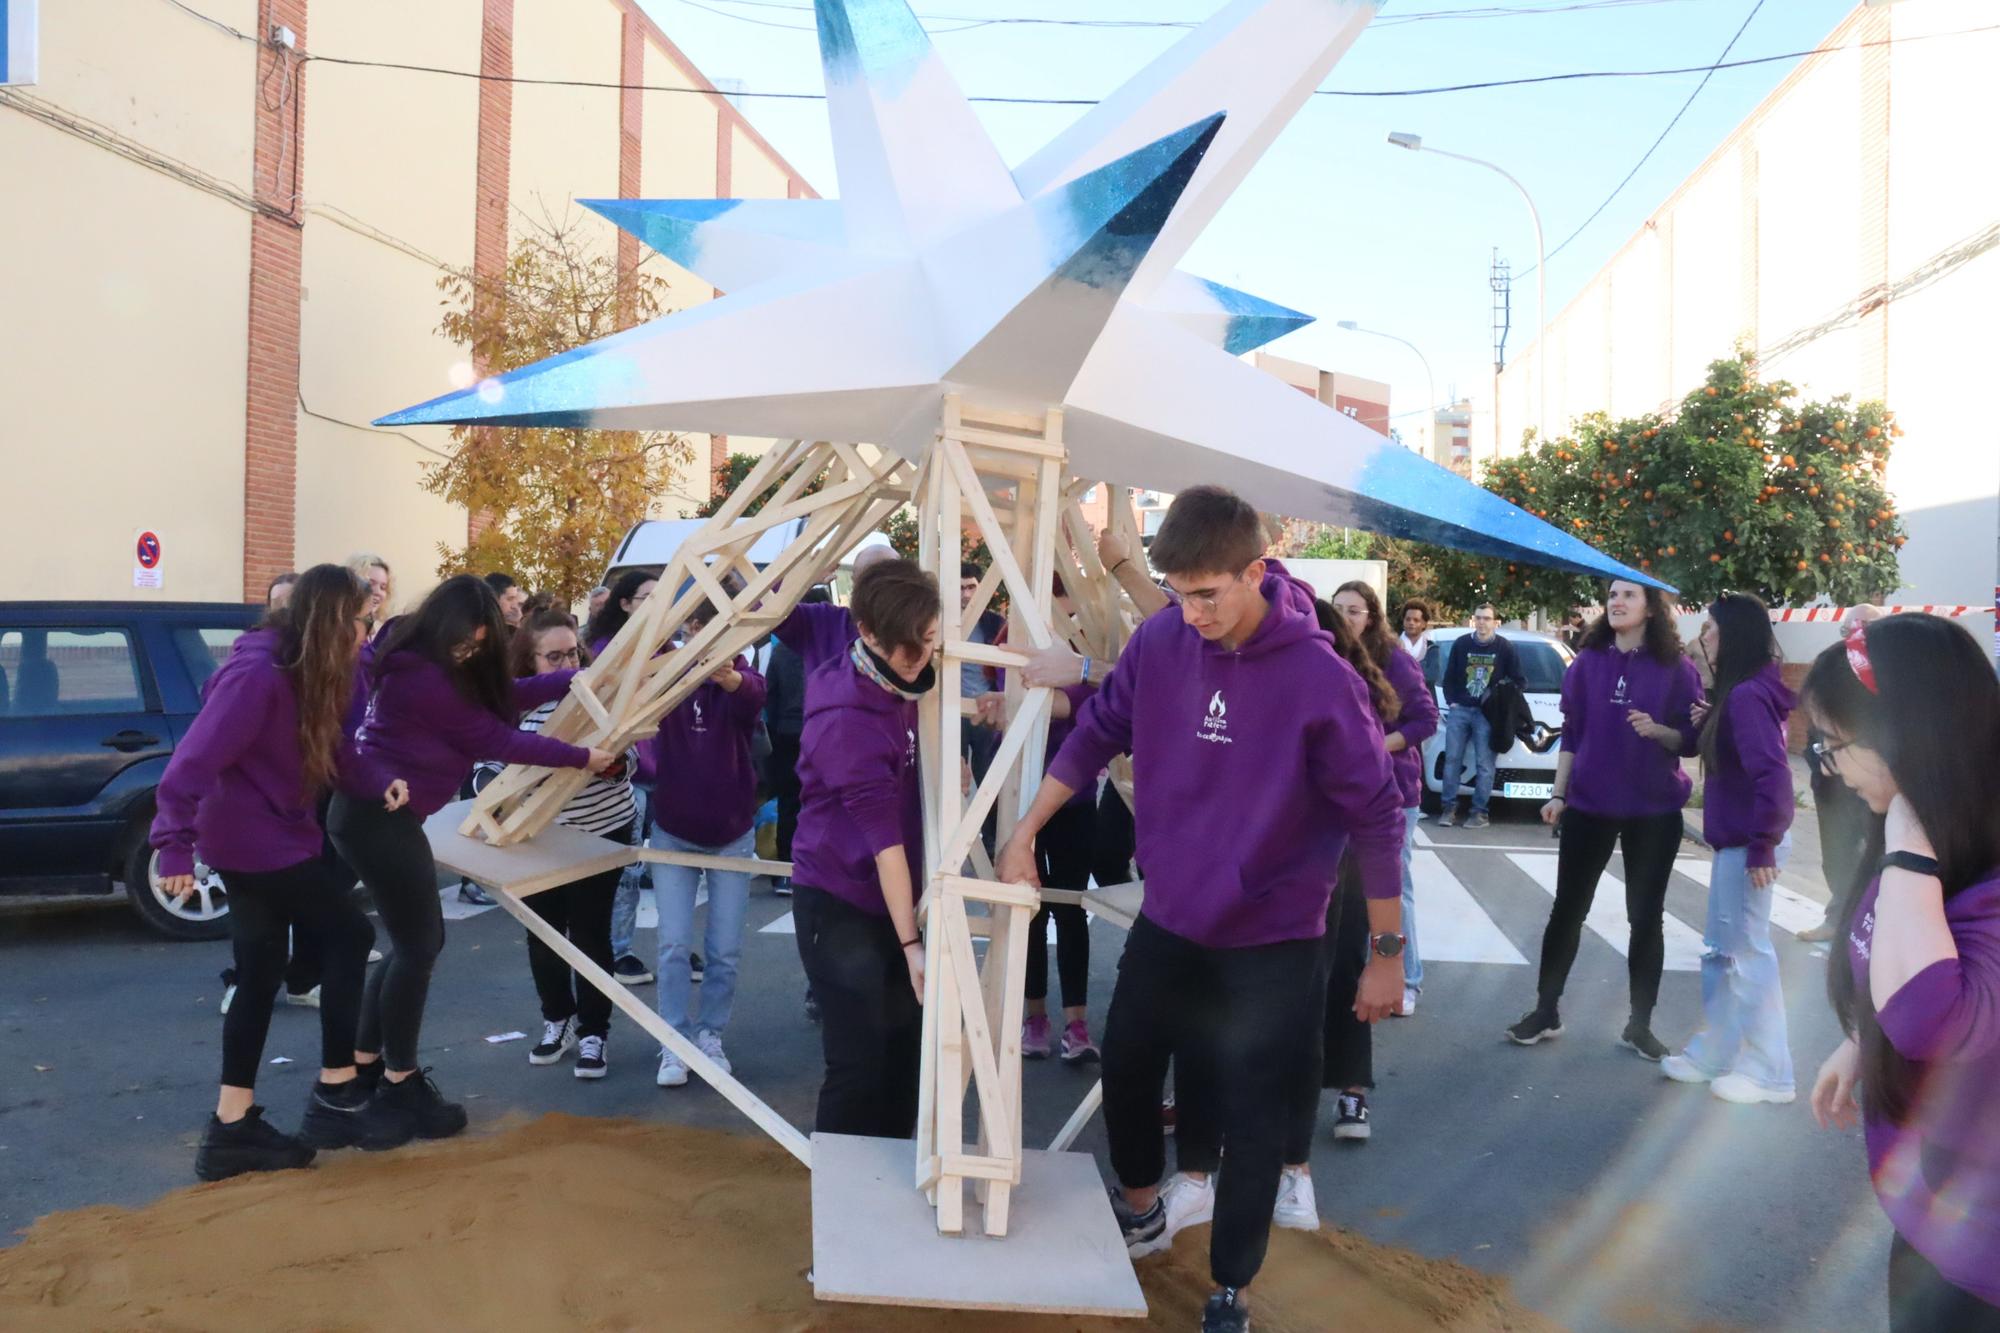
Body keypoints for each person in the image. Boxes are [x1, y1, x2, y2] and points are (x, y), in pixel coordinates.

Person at [997, 487, 1406, 1333]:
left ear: (1257, 572)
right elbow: (1099, 727)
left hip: (1275, 938)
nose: (1190, 612)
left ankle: (1232, 1284)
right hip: (1174, 916)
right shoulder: (1162, 639)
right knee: (1131, 1065)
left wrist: (1387, 948)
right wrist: (1028, 828)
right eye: (1176, 592)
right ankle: (1144, 1205)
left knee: (1253, 1111)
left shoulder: (1318, 676)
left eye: (1207, 594)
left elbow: (1377, 812)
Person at [151, 565, 411, 1179]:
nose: (364, 632)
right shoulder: (257, 675)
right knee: (350, 935)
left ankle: (231, 1128)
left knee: (261, 971)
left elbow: (339, 749)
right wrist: (173, 849)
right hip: (252, 839)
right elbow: (189, 764)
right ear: (330, 620)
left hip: (268, 833)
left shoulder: (311, 671)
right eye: (360, 620)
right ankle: (337, 1092)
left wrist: (379, 783)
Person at [332, 575, 615, 1138]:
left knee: (407, 946)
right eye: (469, 641)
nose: (472, 651)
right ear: (449, 629)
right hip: (378, 818)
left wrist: (572, 680)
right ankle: (396, 1082)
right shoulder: (423, 676)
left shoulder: (423, 661)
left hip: (374, 816)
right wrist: (584, 756)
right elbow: (497, 737)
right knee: (419, 946)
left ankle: (368, 1068)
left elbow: (500, 700)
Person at [1803, 613, 2000, 1329]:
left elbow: (1930, 1019)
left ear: (1906, 735)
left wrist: (1910, 838)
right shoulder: (1926, 834)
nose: (1829, 765)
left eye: (1835, 743)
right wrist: (1862, 1040)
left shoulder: (1927, 846)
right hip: (1931, 1217)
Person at [1252, 596, 1404, 1232]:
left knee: (1332, 994)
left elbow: (1379, 823)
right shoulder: (1274, 689)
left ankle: (1308, 1151)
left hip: (1333, 875)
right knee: (1269, 1011)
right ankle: (1257, 1142)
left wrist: (1387, 951)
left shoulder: (1348, 697)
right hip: (1273, 881)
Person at [1509, 579, 1702, 1059]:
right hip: (1589, 805)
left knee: (1646, 919)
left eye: (1629, 596)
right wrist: (1558, 795)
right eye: (1612, 595)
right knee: (1567, 912)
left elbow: (1689, 741)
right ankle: (1546, 1009)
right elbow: (1572, 733)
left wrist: (1660, 731)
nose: (1616, 602)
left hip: (1653, 810)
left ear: (1652, 608)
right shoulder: (1588, 663)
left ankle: (1639, 1024)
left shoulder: (1677, 669)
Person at [791, 559, 939, 1138]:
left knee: (904, 1050)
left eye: (929, 640)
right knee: (858, 1062)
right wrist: (911, 945)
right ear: (868, 634)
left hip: (893, 896)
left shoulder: (903, 676)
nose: (922, 656)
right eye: (909, 647)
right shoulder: (845, 721)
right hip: (841, 899)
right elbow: (886, 849)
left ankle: (897, 1177)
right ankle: (844, 1203)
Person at [477, 611, 637, 1081]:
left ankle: (594, 1031)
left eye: (573, 653)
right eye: (554, 657)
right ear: (529, 659)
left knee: (590, 934)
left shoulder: (599, 695)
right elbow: (485, 763)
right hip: (537, 836)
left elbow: (630, 761)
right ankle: (557, 1019)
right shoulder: (513, 702)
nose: (568, 664)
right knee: (543, 933)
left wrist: (611, 766)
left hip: (600, 829)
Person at [1660, 593, 1797, 1103]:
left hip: (1749, 844)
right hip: (1739, 842)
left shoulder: (1746, 696)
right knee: (1723, 953)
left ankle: (1769, 1072)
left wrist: (1764, 844)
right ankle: (1716, 1053)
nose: (1702, 639)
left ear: (1733, 636)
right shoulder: (1740, 693)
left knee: (1745, 954)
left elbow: (1774, 776)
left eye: (1711, 630)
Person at [975, 576, 1100, 1065]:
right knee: (1027, 905)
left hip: (1071, 800)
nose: (1060, 615)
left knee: (1069, 909)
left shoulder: (1084, 649)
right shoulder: (1015, 638)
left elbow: (1078, 706)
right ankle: (1034, 1017)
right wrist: (999, 704)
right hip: (1019, 797)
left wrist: (1018, 700)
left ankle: (1075, 1022)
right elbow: (995, 688)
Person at [650, 602, 768, 1088]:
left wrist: (728, 675)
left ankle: (710, 1035)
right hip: (673, 828)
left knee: (725, 949)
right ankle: (672, 1042)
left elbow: (752, 696)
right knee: (673, 943)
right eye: (699, 626)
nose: (706, 637)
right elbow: (637, 650)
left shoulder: (740, 673)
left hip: (731, 833)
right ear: (688, 629)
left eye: (720, 628)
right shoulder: (666, 672)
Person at [1333, 581, 1439, 1018]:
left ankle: (1407, 979)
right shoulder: (1328, 655)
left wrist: (1379, 746)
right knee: (1345, 888)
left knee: (1395, 886)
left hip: (1395, 791)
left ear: (1372, 617)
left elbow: (1425, 719)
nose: (1344, 617)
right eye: (1337, 608)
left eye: (1354, 610)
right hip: (1342, 793)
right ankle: (1356, 973)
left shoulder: (1393, 660)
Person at [1799, 604, 1885, 943]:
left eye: (1861, 629)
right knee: (1835, 855)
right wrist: (1819, 756)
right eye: (1847, 629)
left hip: (1870, 787)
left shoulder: (1887, 676)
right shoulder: (1831, 670)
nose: (1852, 636)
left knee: (1874, 853)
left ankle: (1865, 921)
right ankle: (1837, 917)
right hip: (1831, 784)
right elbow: (1812, 728)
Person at [763, 587, 827, 898]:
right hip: (822, 733)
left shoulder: (782, 649)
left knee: (789, 801)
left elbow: (770, 695)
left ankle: (785, 871)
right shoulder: (828, 649)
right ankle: (816, 865)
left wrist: (772, 733)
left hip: (787, 733)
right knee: (820, 800)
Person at [1434, 603, 1521, 829]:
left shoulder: (1505, 648)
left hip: (1487, 714)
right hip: (1460, 709)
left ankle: (1479, 812)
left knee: (1485, 763)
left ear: (1495, 622)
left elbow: (1519, 680)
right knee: (1452, 759)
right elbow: (1449, 676)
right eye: (1479, 618)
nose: (1482, 622)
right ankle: (1448, 808)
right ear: (1474, 620)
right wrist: (1452, 700)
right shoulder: (1462, 644)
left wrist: (1499, 698)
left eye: (1487, 618)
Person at [346, 553, 394, 639]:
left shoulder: (383, 632)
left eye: (383, 587)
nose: (378, 592)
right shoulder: (338, 628)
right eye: (370, 584)